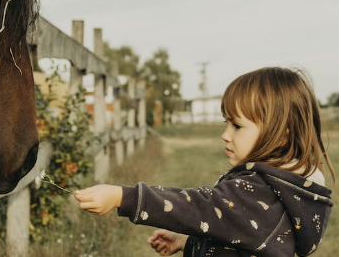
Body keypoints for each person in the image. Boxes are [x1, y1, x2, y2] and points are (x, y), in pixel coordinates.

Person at [74, 67, 335, 257]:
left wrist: (125, 197)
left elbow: (202, 206)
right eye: (226, 123)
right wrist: (187, 242)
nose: (225, 135)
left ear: (281, 134)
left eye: (237, 126)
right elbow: (238, 242)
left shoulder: (261, 192)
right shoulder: (280, 190)